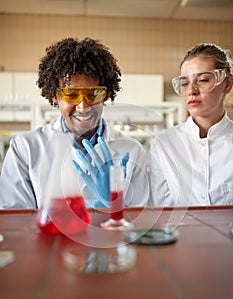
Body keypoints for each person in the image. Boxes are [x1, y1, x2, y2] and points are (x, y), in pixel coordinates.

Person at [0, 37, 149, 209]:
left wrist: (113, 205)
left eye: (93, 94)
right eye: (71, 95)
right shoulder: (26, 148)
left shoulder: (132, 150)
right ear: (54, 96)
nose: (83, 106)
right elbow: (15, 220)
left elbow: (140, 221)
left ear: (105, 95)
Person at [150, 43, 233, 207]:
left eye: (203, 80)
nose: (191, 90)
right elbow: (163, 211)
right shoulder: (164, 144)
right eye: (184, 83)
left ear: (227, 83)